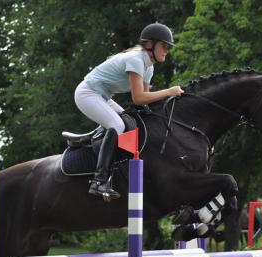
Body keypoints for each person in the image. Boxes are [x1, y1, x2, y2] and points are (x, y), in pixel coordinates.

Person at [74, 22, 184, 200]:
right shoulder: (136, 59)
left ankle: (86, 139)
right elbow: (138, 98)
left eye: (168, 48)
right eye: (164, 46)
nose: (166, 51)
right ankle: (99, 180)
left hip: (101, 96)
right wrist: (169, 91)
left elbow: (144, 102)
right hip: (87, 93)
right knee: (117, 125)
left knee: (128, 121)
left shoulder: (149, 67)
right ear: (150, 44)